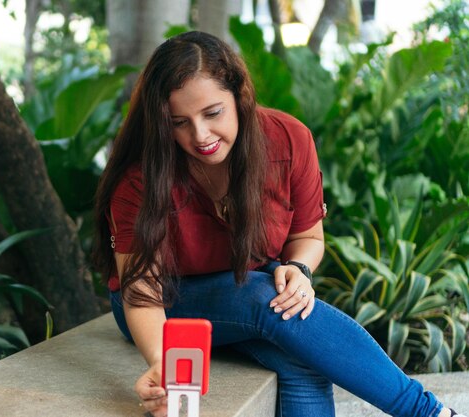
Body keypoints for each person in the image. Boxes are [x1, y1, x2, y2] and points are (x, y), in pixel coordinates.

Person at [93, 31, 464, 417]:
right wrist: (161, 360)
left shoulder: (287, 140)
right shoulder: (141, 178)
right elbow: (141, 291)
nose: (199, 135)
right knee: (265, 297)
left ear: (239, 97)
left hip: (246, 288)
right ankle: (429, 413)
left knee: (300, 355)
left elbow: (307, 236)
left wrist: (299, 269)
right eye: (179, 122)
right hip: (162, 305)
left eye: (212, 113)